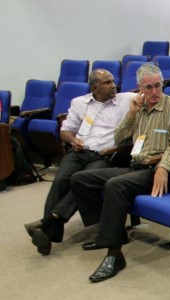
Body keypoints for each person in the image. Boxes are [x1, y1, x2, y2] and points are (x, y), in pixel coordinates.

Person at [70, 63, 170, 283]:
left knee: (115, 186)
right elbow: (120, 139)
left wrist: (163, 167)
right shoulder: (138, 107)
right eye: (148, 87)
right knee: (80, 179)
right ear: (139, 88)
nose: (154, 92)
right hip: (136, 166)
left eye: (158, 86)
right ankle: (105, 232)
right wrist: (132, 113)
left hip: (160, 171)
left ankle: (114, 254)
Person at [23, 69, 134, 255]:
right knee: (60, 181)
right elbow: (65, 131)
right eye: (107, 83)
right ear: (94, 87)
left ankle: (46, 226)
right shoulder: (79, 103)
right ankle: (47, 231)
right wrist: (73, 140)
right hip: (78, 152)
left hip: (104, 155)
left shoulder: (125, 100)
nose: (113, 85)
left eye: (113, 81)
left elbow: (147, 92)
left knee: (80, 179)